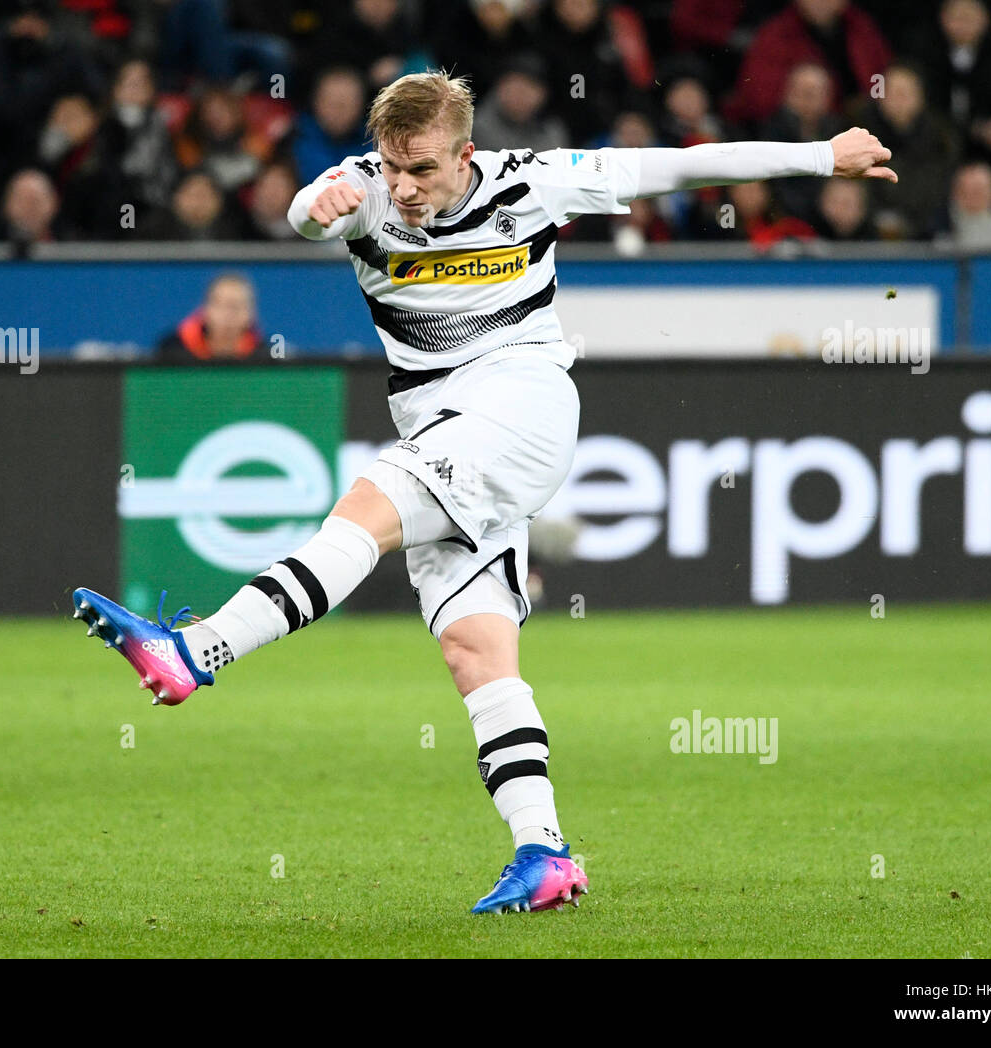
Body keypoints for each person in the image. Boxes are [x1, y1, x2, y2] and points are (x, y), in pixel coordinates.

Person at [69, 70, 896, 916]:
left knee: (364, 510)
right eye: (392, 166)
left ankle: (196, 653)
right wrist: (310, 210)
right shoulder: (365, 192)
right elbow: (310, 208)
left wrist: (818, 155)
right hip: (443, 429)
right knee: (476, 654)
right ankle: (544, 854)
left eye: (422, 169)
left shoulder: (529, 181)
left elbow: (671, 168)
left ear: (466, 153)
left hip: (523, 404)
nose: (405, 187)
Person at [154, 274, 270, 363]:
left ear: (251, 314)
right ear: (205, 309)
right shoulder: (172, 350)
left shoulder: (265, 356)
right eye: (220, 305)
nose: (228, 315)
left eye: (236, 307)